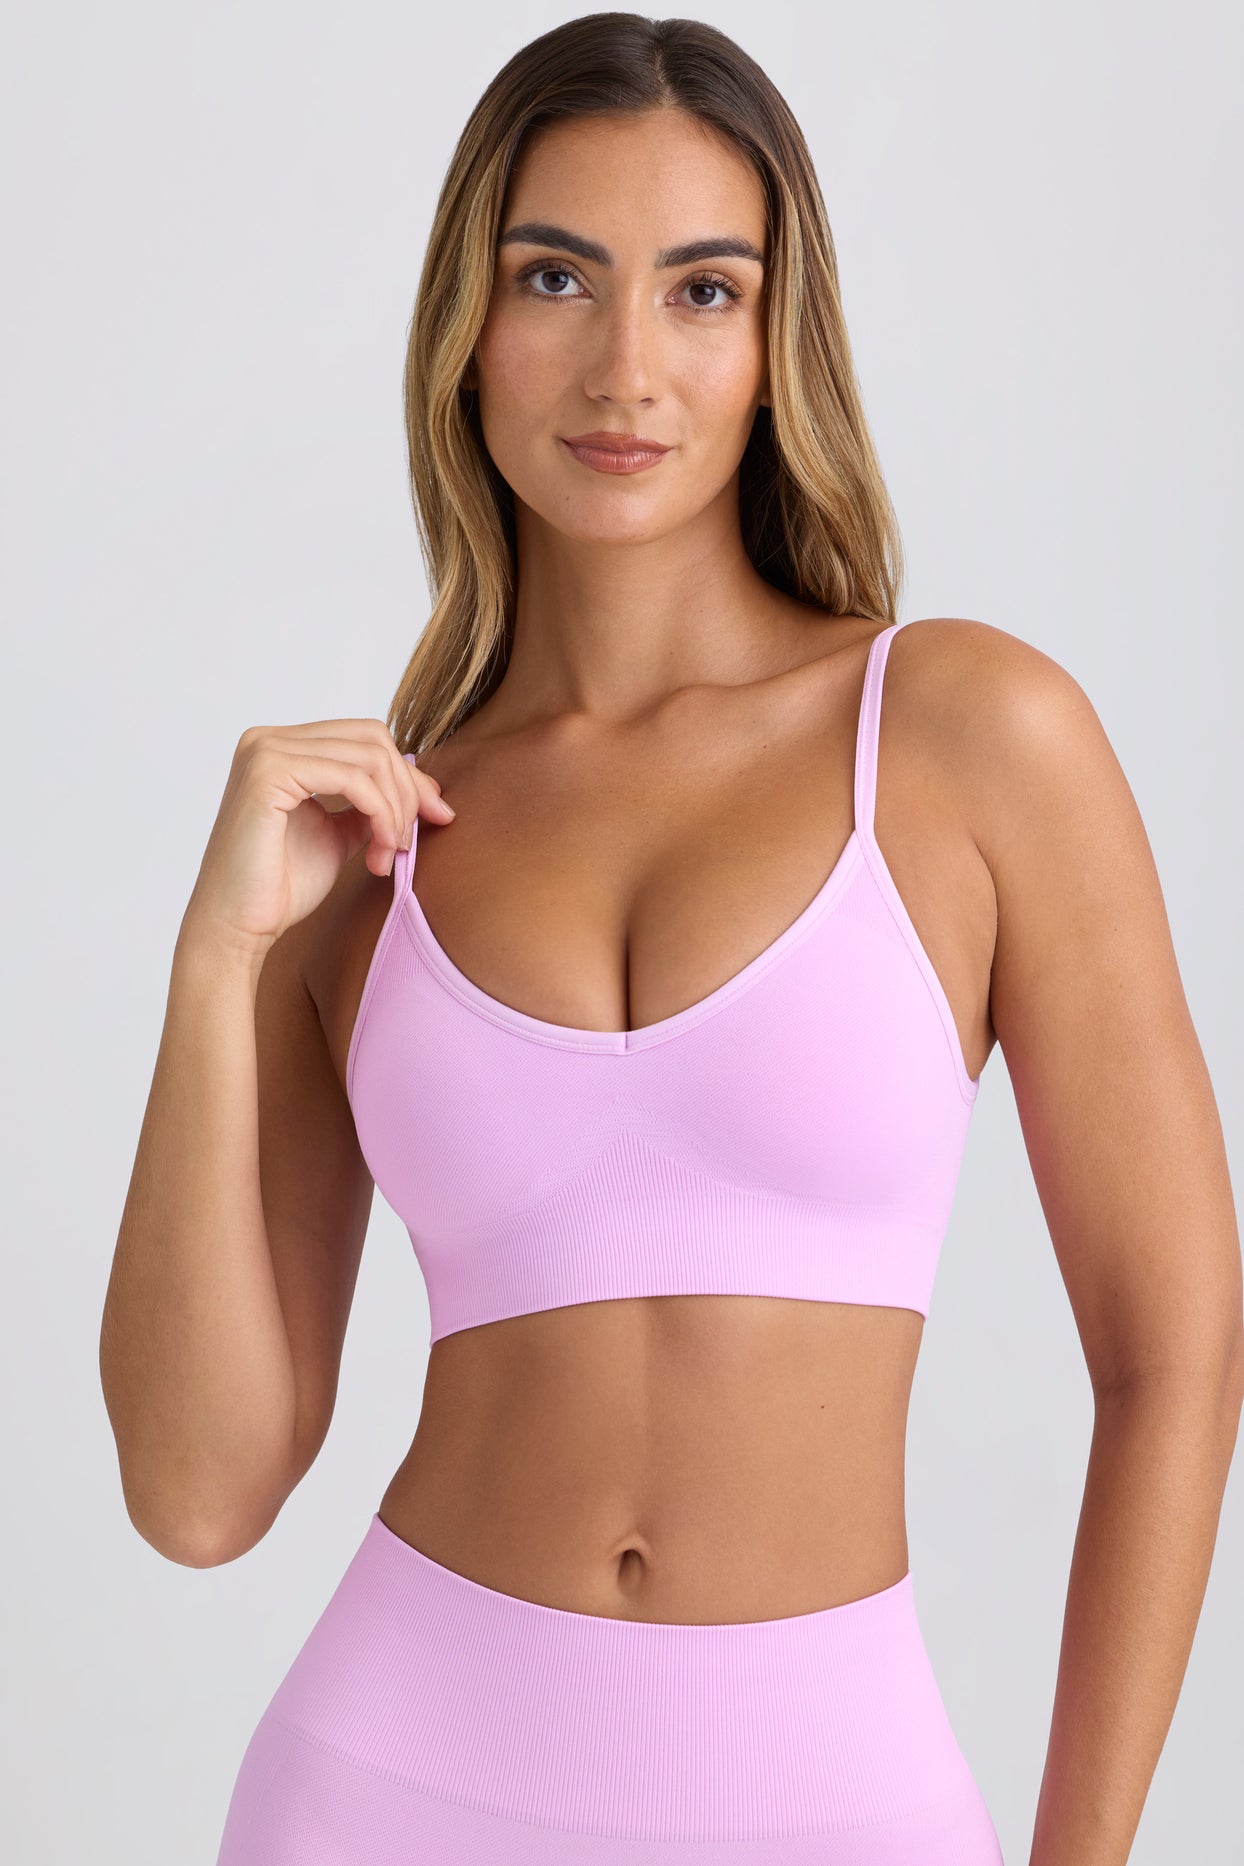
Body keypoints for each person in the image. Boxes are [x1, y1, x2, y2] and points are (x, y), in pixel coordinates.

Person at [99, 14, 1243, 1864]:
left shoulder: (967, 738)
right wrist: (214, 964)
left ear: (779, 346)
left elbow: (1175, 1350)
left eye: (704, 290)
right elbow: (194, 1491)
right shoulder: (372, 854)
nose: (625, 367)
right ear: (468, 326)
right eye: (555, 276)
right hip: (389, 1788)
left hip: (832, 1797)